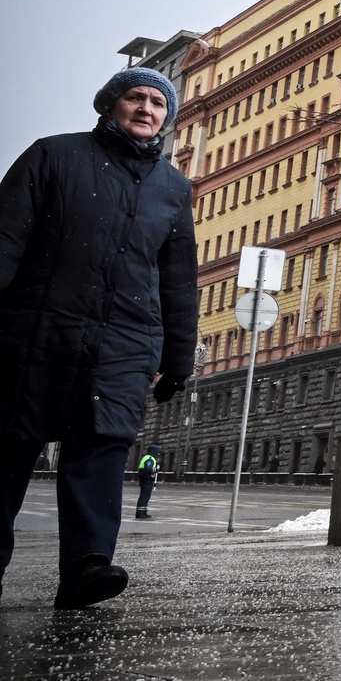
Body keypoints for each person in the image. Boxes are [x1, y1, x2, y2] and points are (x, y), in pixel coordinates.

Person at [0, 69, 196, 607]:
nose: (147, 108)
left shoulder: (173, 189)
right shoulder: (53, 156)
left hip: (123, 347)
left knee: (102, 450)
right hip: (37, 334)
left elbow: (178, 280)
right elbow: (6, 238)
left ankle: (88, 566)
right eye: (136, 96)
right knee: (11, 447)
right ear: (110, 104)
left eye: (159, 102)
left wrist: (178, 357)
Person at [134, 446, 161, 519]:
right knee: (144, 496)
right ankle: (140, 513)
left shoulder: (147, 457)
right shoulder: (150, 459)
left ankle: (143, 511)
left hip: (145, 479)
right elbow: (148, 469)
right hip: (147, 479)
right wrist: (155, 469)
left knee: (145, 496)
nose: (158, 454)